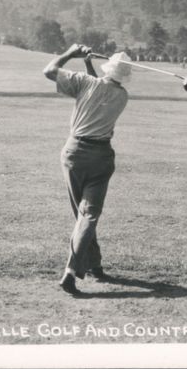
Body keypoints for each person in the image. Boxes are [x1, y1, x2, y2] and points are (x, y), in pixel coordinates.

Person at [43, 44, 132, 296]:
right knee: (89, 215)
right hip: (101, 157)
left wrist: (72, 53)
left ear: (107, 68)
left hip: (74, 154)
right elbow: (101, 88)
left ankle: (76, 270)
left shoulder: (85, 84)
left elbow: (49, 70)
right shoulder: (122, 96)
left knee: (82, 215)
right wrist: (87, 63)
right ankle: (92, 264)